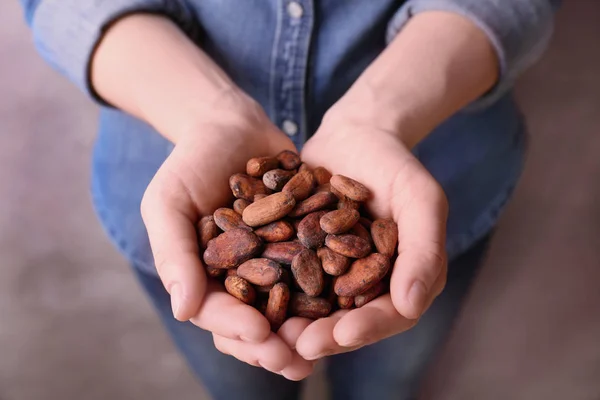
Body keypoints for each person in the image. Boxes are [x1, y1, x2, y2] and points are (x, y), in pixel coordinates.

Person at [19, 1, 559, 399]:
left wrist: (385, 113)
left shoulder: (335, 228)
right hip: (166, 169)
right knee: (243, 383)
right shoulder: (246, 227)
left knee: (386, 383)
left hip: (438, 178)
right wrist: (206, 114)